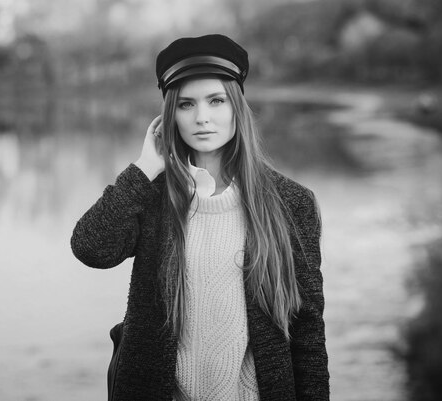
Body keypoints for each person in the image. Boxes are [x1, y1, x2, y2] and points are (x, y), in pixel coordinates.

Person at [71, 34, 329, 401]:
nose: (202, 117)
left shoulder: (292, 203)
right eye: (186, 104)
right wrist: (145, 167)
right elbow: (90, 248)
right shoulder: (152, 195)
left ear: (236, 107)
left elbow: (307, 330)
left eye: (216, 101)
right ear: (169, 115)